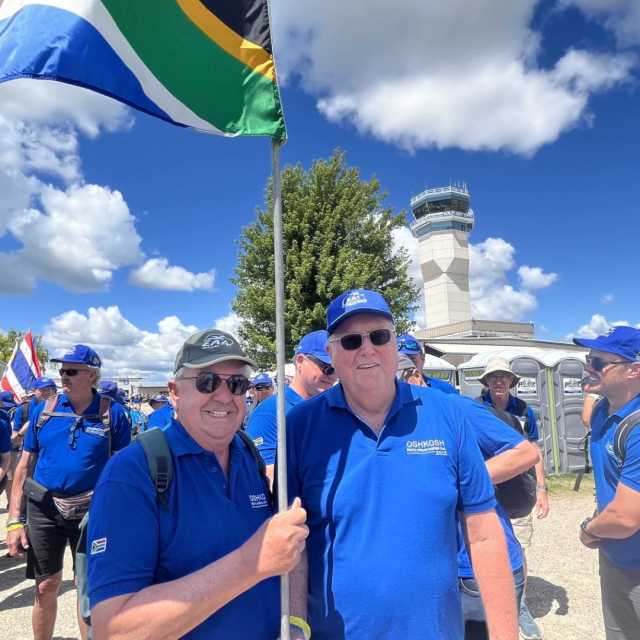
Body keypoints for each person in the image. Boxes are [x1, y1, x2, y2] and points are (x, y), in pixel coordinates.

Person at [286, 288, 520, 640]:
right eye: (350, 341)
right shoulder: (300, 425)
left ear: (396, 344)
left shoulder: (447, 414)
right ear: (332, 353)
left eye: (379, 336)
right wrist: (294, 626)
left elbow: (484, 532)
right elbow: (293, 545)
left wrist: (505, 634)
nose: (366, 349)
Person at [86, 329, 308, 639]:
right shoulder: (132, 473)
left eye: (236, 383)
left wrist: (295, 624)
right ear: (174, 391)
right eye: (207, 381)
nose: (223, 395)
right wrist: (250, 562)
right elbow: (115, 629)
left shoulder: (246, 453)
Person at [6, 344, 131, 640]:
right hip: (44, 508)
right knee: (45, 585)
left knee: (85, 585)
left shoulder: (113, 413)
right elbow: (23, 467)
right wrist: (13, 520)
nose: (64, 376)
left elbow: (124, 470)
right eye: (62, 370)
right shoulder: (43, 410)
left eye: (71, 371)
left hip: (92, 510)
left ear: (92, 375)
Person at [573, 326, 640, 640]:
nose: (588, 367)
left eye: (599, 363)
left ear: (633, 370)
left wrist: (589, 530)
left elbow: (626, 518)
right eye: (588, 359)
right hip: (615, 554)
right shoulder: (601, 411)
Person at [477, 357, 549, 640]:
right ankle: (487, 603)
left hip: (519, 490)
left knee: (517, 548)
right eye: (493, 377)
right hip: (486, 491)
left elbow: (534, 449)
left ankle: (519, 606)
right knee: (485, 548)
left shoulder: (523, 411)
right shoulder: (474, 407)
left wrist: (542, 489)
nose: (498, 381)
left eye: (503, 377)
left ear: (511, 382)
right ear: (485, 381)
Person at [247, 329, 337, 484]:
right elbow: (266, 477)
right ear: (300, 361)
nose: (333, 376)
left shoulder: (333, 406)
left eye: (337, 368)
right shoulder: (271, 412)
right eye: (327, 367)